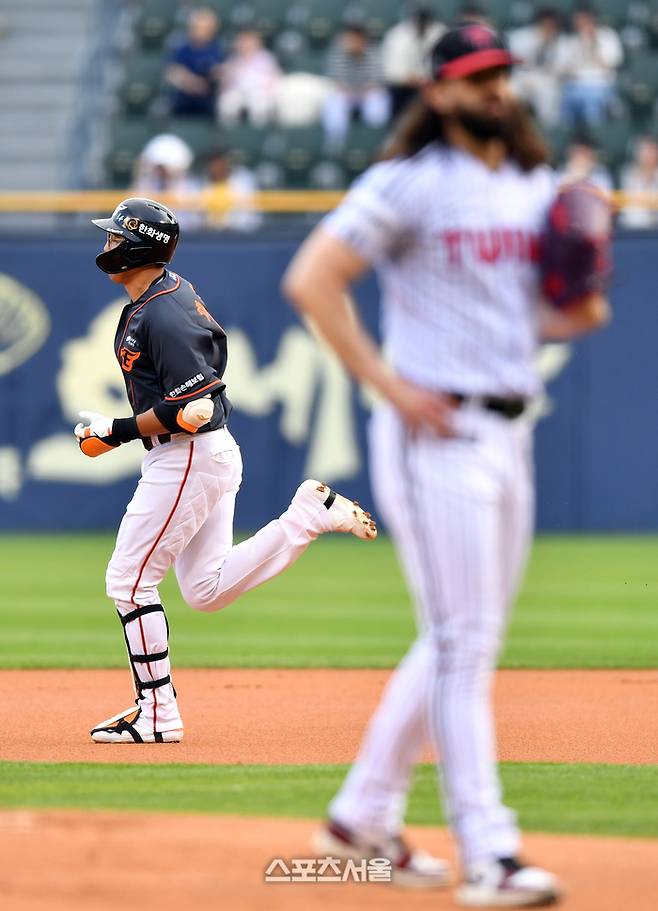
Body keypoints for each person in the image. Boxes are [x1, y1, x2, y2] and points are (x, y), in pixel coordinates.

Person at [284, 22, 609, 907]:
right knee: (464, 641)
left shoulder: (534, 186)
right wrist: (389, 385)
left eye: (500, 73)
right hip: (435, 429)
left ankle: (359, 822)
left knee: (460, 638)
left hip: (508, 427)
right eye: (475, 77)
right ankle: (491, 852)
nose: (494, 88)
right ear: (438, 92)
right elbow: (314, 277)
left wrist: (578, 306)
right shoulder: (408, 184)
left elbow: (542, 317)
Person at [77, 197, 376, 746]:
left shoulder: (162, 311)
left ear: (141, 245)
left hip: (188, 455)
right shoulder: (160, 295)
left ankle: (158, 712)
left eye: (117, 238)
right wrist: (119, 429)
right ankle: (306, 516)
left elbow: (201, 408)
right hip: (201, 454)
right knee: (205, 589)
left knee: (129, 579)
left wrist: (115, 431)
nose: (108, 246)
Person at [322, 23, 391, 153]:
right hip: (346, 94)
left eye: (355, 39)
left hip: (367, 93)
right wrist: (351, 91)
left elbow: (378, 81)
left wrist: (360, 91)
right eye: (349, 39)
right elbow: (335, 82)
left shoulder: (373, 53)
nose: (352, 42)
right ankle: (335, 144)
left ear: (363, 39)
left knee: (378, 99)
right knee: (334, 101)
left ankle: (376, 141)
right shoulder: (337, 52)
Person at [554, 4, 623, 126]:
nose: (582, 23)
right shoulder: (567, 39)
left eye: (586, 19)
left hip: (600, 84)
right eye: (578, 19)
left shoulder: (607, 35)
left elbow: (611, 64)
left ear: (593, 19)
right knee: (561, 105)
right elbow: (561, 68)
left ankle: (595, 133)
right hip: (572, 85)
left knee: (591, 104)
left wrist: (592, 44)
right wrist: (579, 46)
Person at [381, 3, 446, 118]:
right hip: (404, 87)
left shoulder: (439, 32)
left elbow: (443, 63)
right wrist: (408, 78)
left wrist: (426, 78)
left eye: (425, 21)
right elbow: (391, 71)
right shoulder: (397, 35)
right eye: (419, 20)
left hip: (431, 84)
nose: (422, 24)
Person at [164, 6, 225, 118]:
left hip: (210, 98)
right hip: (183, 98)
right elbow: (172, 72)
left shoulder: (219, 49)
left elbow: (224, 72)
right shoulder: (181, 48)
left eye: (205, 28)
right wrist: (191, 82)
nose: (201, 31)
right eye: (197, 27)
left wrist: (215, 75)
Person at [508, 8, 562, 126]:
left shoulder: (560, 40)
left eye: (552, 25)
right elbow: (518, 60)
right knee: (511, 91)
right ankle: (509, 127)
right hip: (522, 76)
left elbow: (558, 67)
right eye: (545, 24)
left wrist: (548, 45)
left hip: (545, 78)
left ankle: (548, 128)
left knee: (549, 94)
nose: (548, 28)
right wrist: (539, 42)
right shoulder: (520, 36)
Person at [218, 29, 281, 127]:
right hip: (237, 91)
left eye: (248, 41)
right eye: (242, 41)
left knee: (259, 104)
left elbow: (273, 79)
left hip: (260, 92)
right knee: (228, 102)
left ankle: (259, 133)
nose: (245, 44)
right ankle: (228, 133)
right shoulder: (233, 59)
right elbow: (226, 82)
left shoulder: (266, 58)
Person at [619, 136, 658, 229]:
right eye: (644, 151)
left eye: (651, 150)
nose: (647, 155)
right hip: (631, 232)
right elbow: (630, 214)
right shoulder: (627, 176)